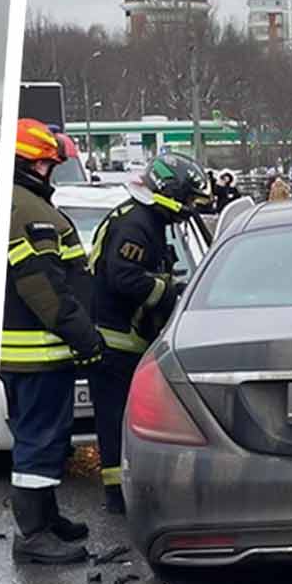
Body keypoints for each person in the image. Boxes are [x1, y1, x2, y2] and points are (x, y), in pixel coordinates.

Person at [1, 119, 103, 564]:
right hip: (39, 352)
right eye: (46, 165)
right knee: (40, 442)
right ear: (30, 164)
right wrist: (84, 336)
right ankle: (33, 534)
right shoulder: (30, 212)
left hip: (34, 352)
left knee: (41, 438)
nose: (50, 172)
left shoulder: (24, 205)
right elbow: (44, 287)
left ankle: (47, 517)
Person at [86, 152, 203, 515]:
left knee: (123, 415)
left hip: (125, 335)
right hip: (114, 337)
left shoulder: (144, 220)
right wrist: (168, 291)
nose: (187, 208)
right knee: (115, 416)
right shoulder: (137, 224)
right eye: (186, 199)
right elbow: (124, 279)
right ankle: (117, 495)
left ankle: (126, 488)